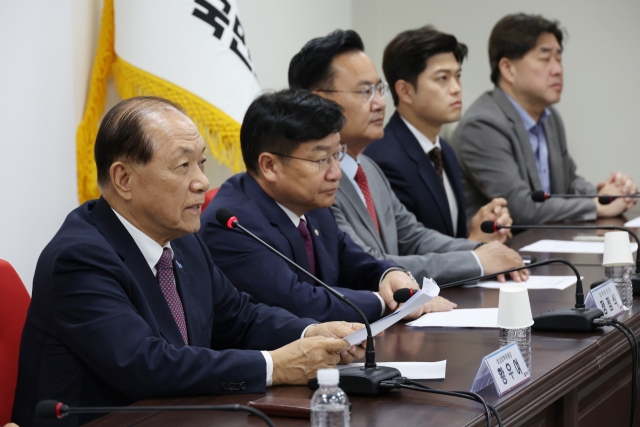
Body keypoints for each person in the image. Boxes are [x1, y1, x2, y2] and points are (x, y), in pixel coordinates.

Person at [13, 97, 368, 427]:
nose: (202, 182)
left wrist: (309, 332)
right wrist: (274, 366)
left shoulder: (183, 240)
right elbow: (146, 366)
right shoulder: (79, 258)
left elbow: (240, 319)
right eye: (183, 165)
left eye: (201, 162)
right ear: (124, 179)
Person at [288, 29, 527, 285]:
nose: (380, 103)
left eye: (379, 90)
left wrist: (483, 250)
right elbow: (368, 262)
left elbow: (413, 236)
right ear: (319, 101)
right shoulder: (315, 181)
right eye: (365, 92)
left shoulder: (368, 167)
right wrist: (476, 261)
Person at [199, 89, 455, 323]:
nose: (336, 173)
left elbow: (351, 260)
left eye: (337, 155)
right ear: (269, 166)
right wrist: (386, 302)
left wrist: (388, 275)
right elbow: (297, 302)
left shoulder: (313, 204)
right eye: (322, 159)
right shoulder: (233, 224)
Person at [451, 13, 638, 225]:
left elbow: (567, 184)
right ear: (508, 69)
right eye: (545, 58)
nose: (557, 70)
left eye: (559, 59)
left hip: (545, 242)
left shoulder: (549, 117)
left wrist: (608, 194)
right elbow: (520, 207)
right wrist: (596, 206)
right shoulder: (482, 125)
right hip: (504, 247)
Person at [365, 26, 511, 243]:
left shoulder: (444, 150)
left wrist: (481, 228)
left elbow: (449, 236)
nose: (456, 88)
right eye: (442, 78)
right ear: (405, 91)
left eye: (457, 76)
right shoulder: (385, 159)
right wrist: (472, 245)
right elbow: (405, 251)